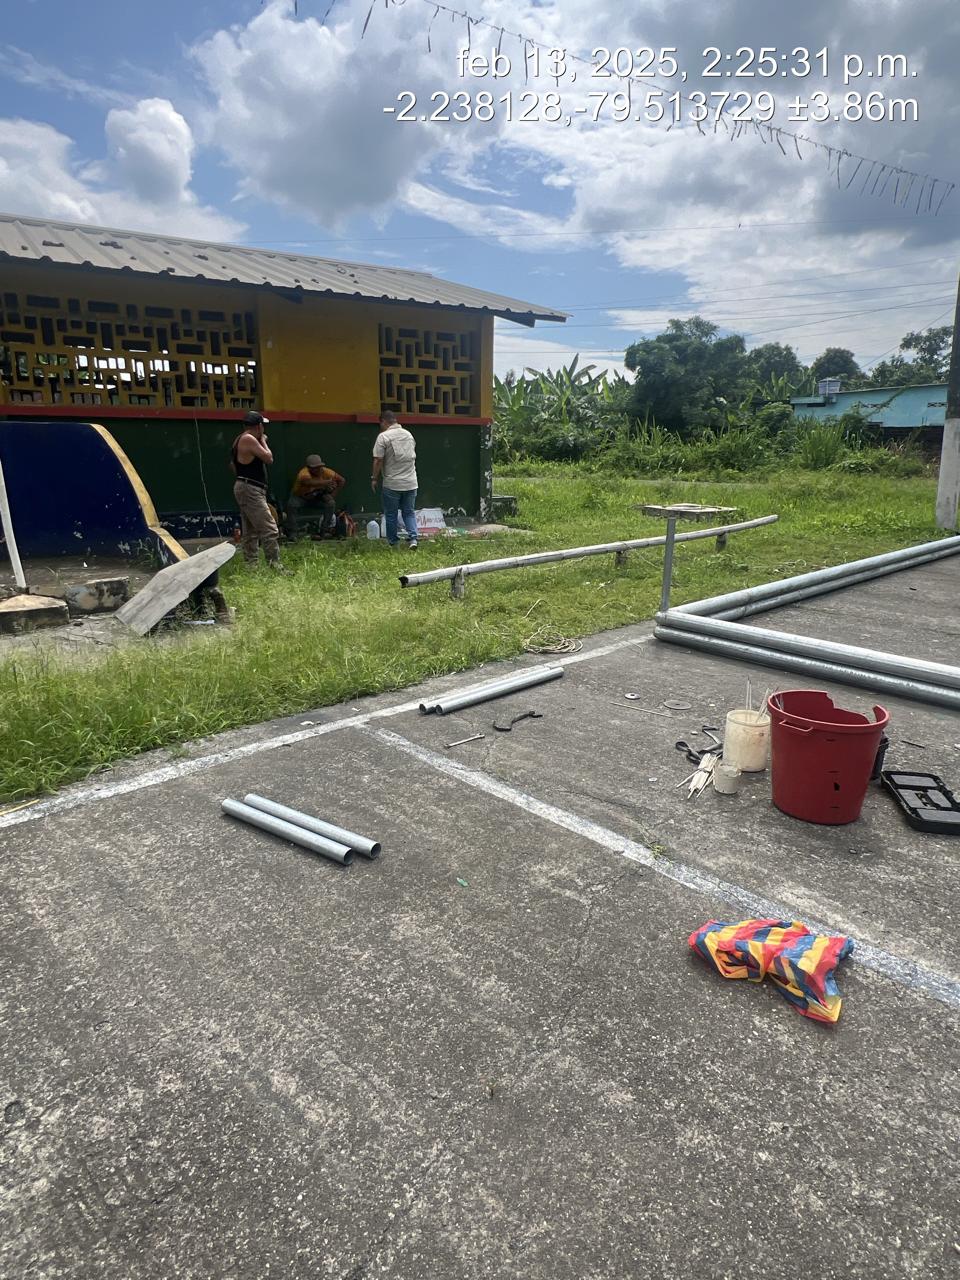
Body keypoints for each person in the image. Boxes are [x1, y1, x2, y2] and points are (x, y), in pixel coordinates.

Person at [230, 410, 285, 571]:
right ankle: (275, 565)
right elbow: (269, 458)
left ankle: (251, 566)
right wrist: (263, 441)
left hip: (246, 486)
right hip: (250, 488)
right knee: (269, 528)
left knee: (251, 530)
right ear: (259, 426)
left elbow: (232, 465)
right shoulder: (249, 439)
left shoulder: (239, 439)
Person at [371, 411, 419, 549]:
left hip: (392, 484)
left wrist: (374, 478)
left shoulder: (383, 437)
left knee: (391, 514)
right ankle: (413, 539)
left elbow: (378, 460)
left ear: (383, 421)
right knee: (409, 512)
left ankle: (394, 543)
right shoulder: (408, 435)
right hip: (411, 482)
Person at [285, 454, 345, 539]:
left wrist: (332, 495)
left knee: (331, 503)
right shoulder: (303, 473)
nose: (318, 469)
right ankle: (293, 533)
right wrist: (327, 482)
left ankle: (324, 531)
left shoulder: (326, 472)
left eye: (319, 467)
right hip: (301, 497)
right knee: (291, 504)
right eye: (315, 467)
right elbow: (309, 482)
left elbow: (342, 480)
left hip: (317, 497)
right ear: (309, 468)